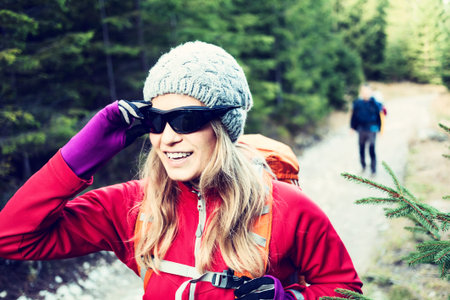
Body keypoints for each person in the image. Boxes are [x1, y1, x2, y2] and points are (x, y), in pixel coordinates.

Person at [0, 41, 363, 300]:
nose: (167, 138)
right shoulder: (130, 206)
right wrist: (80, 155)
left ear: (223, 126)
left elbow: (345, 291)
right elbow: (10, 236)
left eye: (186, 119)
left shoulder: (287, 207)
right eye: (156, 121)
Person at [350, 84, 385, 175]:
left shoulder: (375, 103)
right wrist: (352, 127)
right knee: (361, 148)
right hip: (361, 129)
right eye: (363, 91)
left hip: (372, 128)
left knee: (371, 147)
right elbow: (353, 116)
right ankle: (363, 166)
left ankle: (373, 169)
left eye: (367, 91)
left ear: (371, 92)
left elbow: (381, 115)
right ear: (361, 93)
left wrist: (381, 128)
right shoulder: (358, 103)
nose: (365, 93)